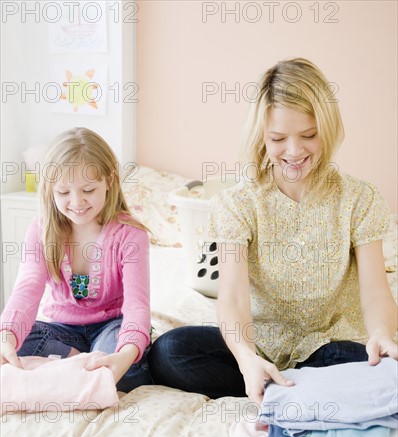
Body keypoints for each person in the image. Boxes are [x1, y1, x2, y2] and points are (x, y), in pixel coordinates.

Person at [148, 57, 398, 404]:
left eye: (309, 136)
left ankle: (289, 389)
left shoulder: (360, 198)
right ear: (262, 137)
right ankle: (281, 383)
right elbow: (232, 297)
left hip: (330, 344)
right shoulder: (237, 203)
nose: (294, 152)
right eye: (279, 138)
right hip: (260, 343)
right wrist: (247, 359)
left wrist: (382, 334)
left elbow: (375, 291)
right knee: (169, 351)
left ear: (326, 129)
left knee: (372, 367)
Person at [0, 127, 152, 393]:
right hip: (61, 330)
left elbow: (137, 306)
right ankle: (81, 364)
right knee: (15, 338)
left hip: (110, 325)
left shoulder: (130, 235)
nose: (77, 202)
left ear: (110, 180)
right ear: (50, 190)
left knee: (126, 360)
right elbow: (26, 290)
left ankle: (78, 366)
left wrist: (126, 352)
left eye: (88, 189)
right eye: (63, 192)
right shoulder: (41, 229)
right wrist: (8, 336)